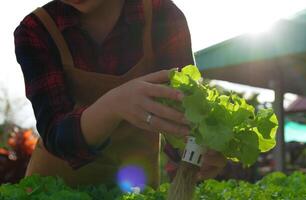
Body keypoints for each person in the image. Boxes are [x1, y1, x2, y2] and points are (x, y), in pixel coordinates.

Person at [14, 0, 226, 187]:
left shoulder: (163, 15)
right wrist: (115, 105)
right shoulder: (36, 30)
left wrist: (196, 154)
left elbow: (184, 111)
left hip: (136, 184)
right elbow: (57, 135)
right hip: (55, 187)